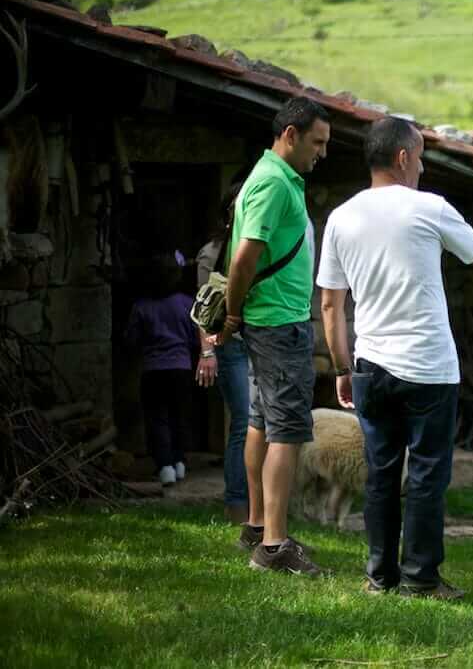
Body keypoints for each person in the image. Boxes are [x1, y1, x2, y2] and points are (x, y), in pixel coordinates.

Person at [317, 116, 473, 599]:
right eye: (419, 157)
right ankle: (421, 578)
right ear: (402, 158)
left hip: (370, 367)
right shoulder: (429, 208)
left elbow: (331, 303)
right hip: (429, 369)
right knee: (426, 474)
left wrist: (341, 367)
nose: (421, 167)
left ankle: (380, 577)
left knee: (380, 473)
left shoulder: (340, 217)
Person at [214, 97, 330, 576]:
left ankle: (259, 526)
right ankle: (275, 546)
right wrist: (235, 316)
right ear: (290, 134)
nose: (321, 153)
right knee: (286, 430)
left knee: (262, 422)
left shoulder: (274, 178)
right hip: (275, 322)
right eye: (317, 142)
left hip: (271, 320)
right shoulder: (272, 183)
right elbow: (244, 258)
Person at [195, 184, 250, 525]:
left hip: (261, 341)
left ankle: (263, 510)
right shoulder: (212, 253)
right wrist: (207, 352)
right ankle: (236, 507)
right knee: (243, 421)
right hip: (229, 346)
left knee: (263, 424)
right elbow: (203, 308)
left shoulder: (260, 247)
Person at [125, 254, 196, 487]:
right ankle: (179, 461)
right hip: (182, 368)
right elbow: (197, 336)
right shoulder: (186, 303)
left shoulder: (141, 306)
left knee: (157, 418)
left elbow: (132, 339)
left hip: (153, 369)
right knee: (180, 415)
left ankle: (164, 465)